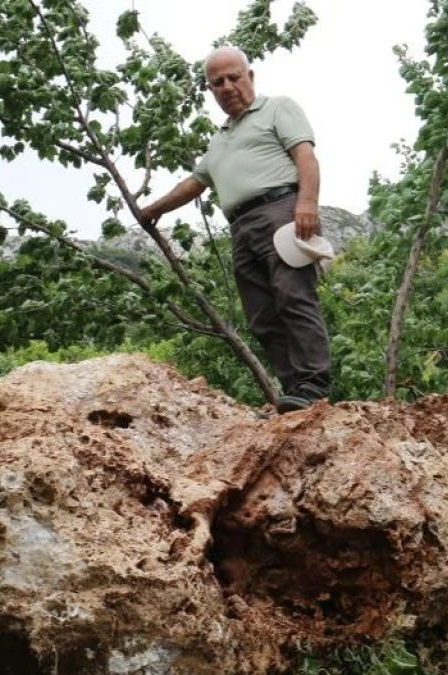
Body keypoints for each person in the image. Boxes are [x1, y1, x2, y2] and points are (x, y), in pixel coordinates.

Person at [137, 46, 332, 414]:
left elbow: (305, 157)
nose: (227, 86)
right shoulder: (219, 140)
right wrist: (153, 209)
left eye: (234, 77)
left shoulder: (278, 108)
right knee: (261, 314)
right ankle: (294, 390)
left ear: (250, 76)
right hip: (240, 228)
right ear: (210, 90)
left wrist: (307, 203)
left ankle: (314, 384)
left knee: (293, 296)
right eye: (217, 82)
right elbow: (195, 183)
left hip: (280, 213)